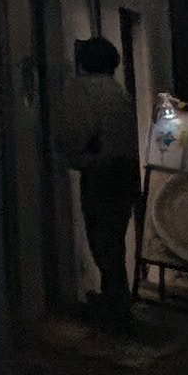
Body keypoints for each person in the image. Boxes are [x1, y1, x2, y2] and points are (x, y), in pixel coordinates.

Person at [53, 35, 142, 330]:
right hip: (126, 171)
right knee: (115, 239)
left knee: (102, 241)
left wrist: (76, 156)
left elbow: (76, 132)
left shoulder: (82, 90)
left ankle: (114, 308)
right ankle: (118, 301)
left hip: (101, 172)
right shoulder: (119, 91)